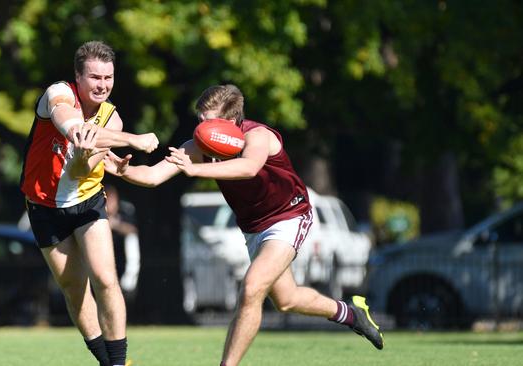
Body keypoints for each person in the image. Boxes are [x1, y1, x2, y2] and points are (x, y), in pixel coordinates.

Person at [104, 84, 384, 366]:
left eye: (208, 122)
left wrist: (196, 169)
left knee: (251, 288)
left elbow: (248, 168)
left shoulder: (258, 137)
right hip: (253, 227)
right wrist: (120, 169)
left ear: (230, 121)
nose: (200, 129)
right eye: (199, 121)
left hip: (289, 216)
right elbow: (153, 177)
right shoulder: (201, 146)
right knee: (286, 299)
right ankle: (351, 313)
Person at [20, 40, 158, 366]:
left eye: (108, 78)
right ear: (78, 77)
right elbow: (75, 128)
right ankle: (104, 361)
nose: (102, 85)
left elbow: (85, 167)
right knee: (73, 288)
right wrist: (135, 140)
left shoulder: (112, 119)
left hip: (87, 202)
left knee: (105, 278)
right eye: (95, 77)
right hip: (43, 206)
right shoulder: (58, 94)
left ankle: (119, 363)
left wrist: (105, 147)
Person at [105, 184, 140, 300]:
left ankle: (129, 281)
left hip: (122, 258)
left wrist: (115, 225)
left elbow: (133, 230)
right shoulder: (96, 213)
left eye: (112, 199)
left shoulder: (125, 210)